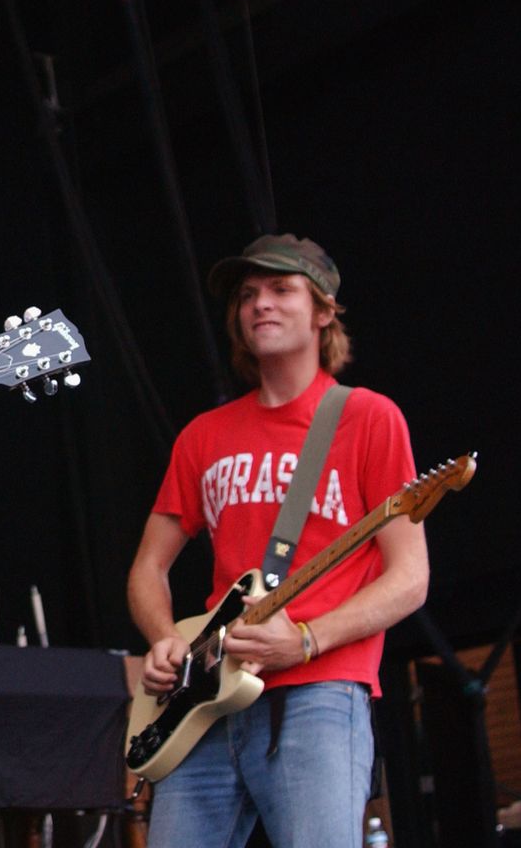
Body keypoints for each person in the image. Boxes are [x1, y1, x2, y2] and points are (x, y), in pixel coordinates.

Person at [125, 234, 429, 848]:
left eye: (281, 289)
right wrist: (164, 642)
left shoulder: (368, 417)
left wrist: (309, 639)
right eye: (247, 294)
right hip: (202, 706)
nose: (259, 303)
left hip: (318, 691)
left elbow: (410, 577)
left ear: (323, 311)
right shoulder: (202, 436)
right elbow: (146, 570)